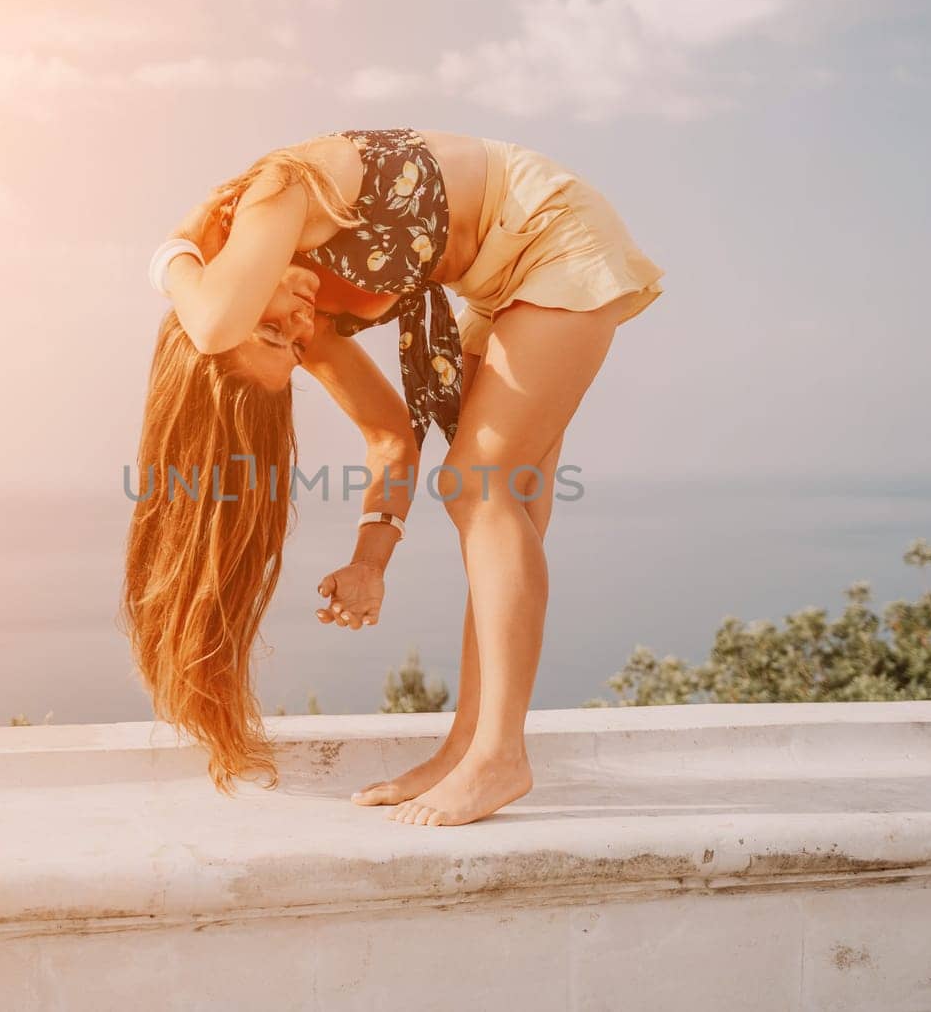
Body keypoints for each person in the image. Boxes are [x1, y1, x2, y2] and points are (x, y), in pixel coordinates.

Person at [123, 127, 665, 826]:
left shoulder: (274, 194)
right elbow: (389, 434)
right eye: (289, 345)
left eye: (271, 332)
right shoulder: (297, 307)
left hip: (548, 231)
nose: (297, 328)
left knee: (477, 483)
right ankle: (470, 747)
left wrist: (171, 254)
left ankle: (499, 753)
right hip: (501, 284)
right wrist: (369, 559)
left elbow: (209, 317)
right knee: (509, 507)